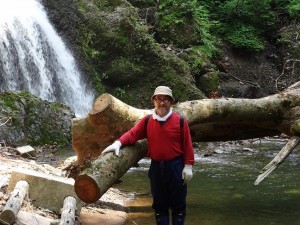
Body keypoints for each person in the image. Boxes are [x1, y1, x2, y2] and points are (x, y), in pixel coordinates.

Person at [102, 86, 194, 225]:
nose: (162, 103)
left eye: (166, 100)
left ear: (171, 102)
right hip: (156, 168)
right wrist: (118, 143)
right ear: (154, 101)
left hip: (176, 167)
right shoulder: (148, 121)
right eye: (159, 99)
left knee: (178, 205)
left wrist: (188, 166)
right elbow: (133, 134)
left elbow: (187, 144)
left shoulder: (180, 121)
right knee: (159, 205)